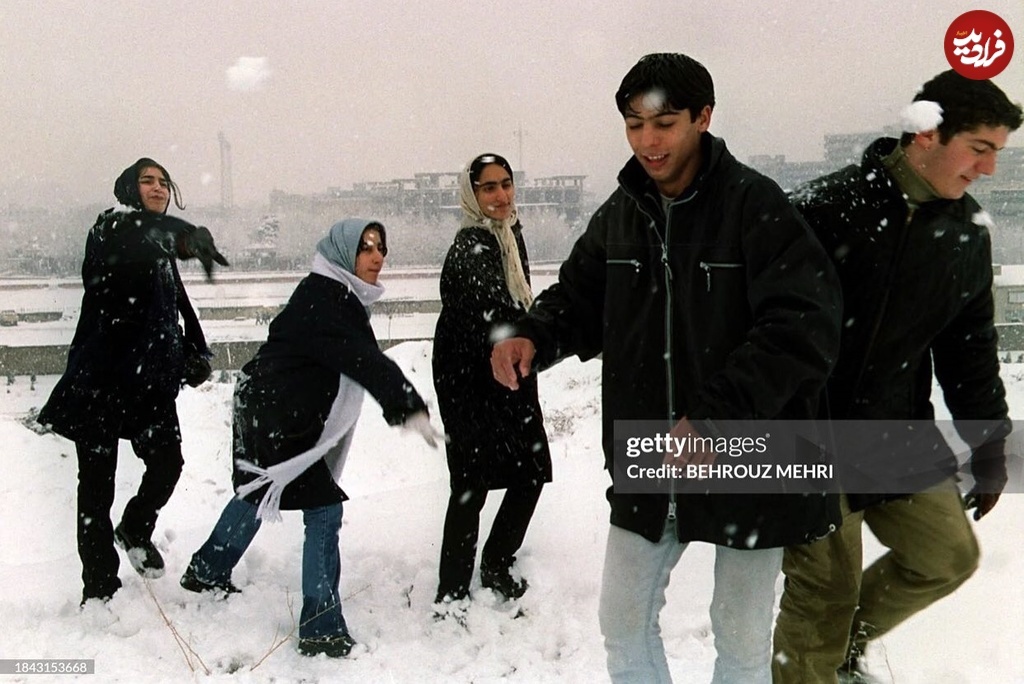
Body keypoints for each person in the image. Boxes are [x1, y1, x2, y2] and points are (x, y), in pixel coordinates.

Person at [491, 53, 843, 684]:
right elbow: (576, 297)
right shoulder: (621, 214)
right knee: (622, 624)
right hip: (654, 450)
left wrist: (718, 415)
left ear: (703, 118)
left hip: (749, 449)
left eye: (664, 124)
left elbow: (803, 329)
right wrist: (532, 338)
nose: (648, 142)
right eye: (634, 125)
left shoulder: (755, 207)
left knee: (738, 637)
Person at [772, 71, 1022, 684]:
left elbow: (970, 348)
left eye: (998, 153)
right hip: (809, 432)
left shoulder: (963, 235)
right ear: (927, 134)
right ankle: (812, 665)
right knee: (823, 588)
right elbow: (757, 325)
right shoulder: (826, 209)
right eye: (980, 149)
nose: (987, 170)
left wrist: (989, 447)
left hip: (894, 431)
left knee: (948, 557)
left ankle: (836, 651)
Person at [180, 218, 442, 659]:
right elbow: (363, 360)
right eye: (367, 249)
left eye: (381, 248)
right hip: (277, 410)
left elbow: (351, 357)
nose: (378, 258)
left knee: (260, 487)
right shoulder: (327, 297)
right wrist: (407, 405)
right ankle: (321, 625)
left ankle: (208, 570)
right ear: (344, 254)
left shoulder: (335, 292)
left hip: (271, 403)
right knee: (322, 507)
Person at [37, 157, 227, 605]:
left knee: (168, 464)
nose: (158, 187)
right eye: (148, 181)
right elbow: (140, 234)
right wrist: (185, 236)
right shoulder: (112, 228)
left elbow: (179, 301)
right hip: (101, 382)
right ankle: (100, 588)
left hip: (148, 385)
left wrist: (196, 350)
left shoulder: (158, 244)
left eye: (164, 181)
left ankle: (136, 528)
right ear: (129, 188)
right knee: (96, 490)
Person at [432, 153, 552, 611]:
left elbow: (515, 304)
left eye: (506, 184)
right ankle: (452, 591)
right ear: (472, 194)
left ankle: (498, 561)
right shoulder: (471, 246)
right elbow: (497, 310)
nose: (500, 196)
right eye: (488, 188)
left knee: (531, 470)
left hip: (507, 367)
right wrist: (535, 332)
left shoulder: (508, 235)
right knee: (470, 482)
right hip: (467, 375)